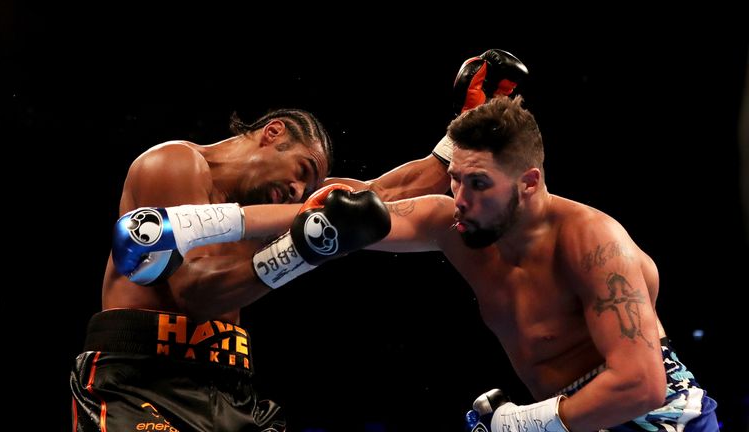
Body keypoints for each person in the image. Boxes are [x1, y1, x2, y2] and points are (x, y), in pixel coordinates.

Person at [79, 50, 529, 431]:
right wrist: (300, 248)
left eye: (308, 185)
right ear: (272, 133)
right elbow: (195, 292)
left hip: (228, 385)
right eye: (301, 171)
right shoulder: (174, 164)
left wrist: (472, 123)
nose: (298, 192)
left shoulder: (275, 207)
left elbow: (389, 193)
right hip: (139, 380)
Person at [365, 95, 719, 431]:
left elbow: (641, 385)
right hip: (566, 419)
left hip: (659, 418)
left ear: (529, 182)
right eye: (455, 179)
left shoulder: (592, 240)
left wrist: (515, 423)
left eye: (479, 183)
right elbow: (346, 218)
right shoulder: (452, 225)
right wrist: (308, 186)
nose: (460, 198)